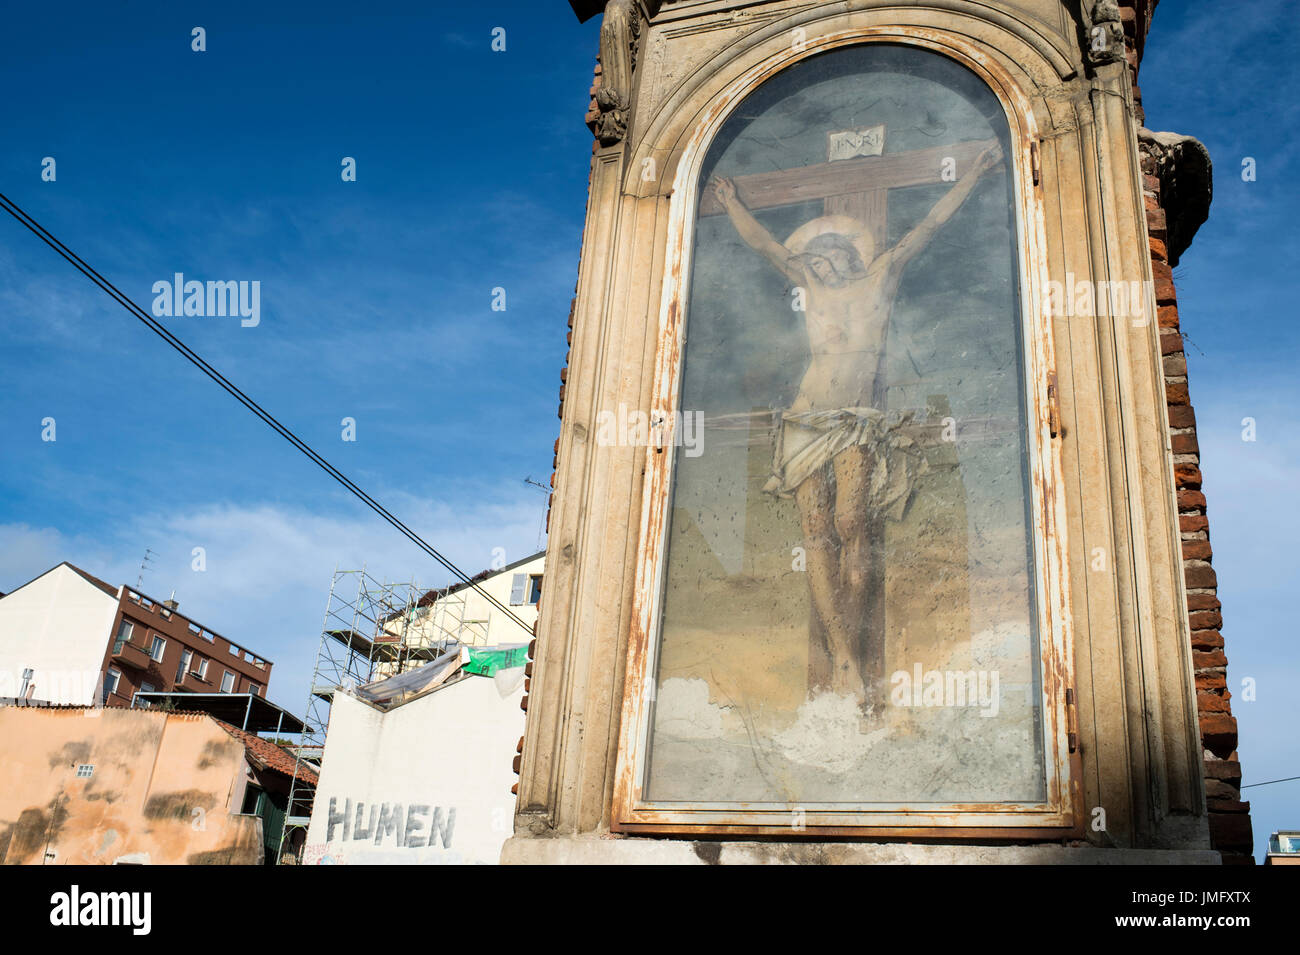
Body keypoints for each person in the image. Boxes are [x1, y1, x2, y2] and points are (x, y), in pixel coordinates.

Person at [709, 141, 1003, 700]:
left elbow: (928, 227)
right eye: (814, 262)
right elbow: (767, 246)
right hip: (804, 419)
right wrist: (730, 204)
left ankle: (856, 646)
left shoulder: (882, 276)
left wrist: (969, 175)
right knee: (816, 533)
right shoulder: (811, 291)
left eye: (829, 257)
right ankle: (845, 658)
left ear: (850, 253)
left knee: (852, 523)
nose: (821, 266)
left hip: (856, 420)